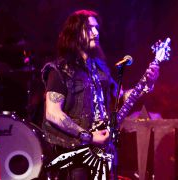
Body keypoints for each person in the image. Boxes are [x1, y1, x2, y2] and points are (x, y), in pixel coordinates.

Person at [41, 10, 159, 179]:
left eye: (96, 28)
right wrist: (88, 136)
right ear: (74, 32)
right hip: (76, 153)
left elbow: (119, 98)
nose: (96, 33)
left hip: (103, 151)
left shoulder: (100, 69)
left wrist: (147, 84)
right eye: (89, 28)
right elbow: (52, 113)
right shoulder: (59, 70)